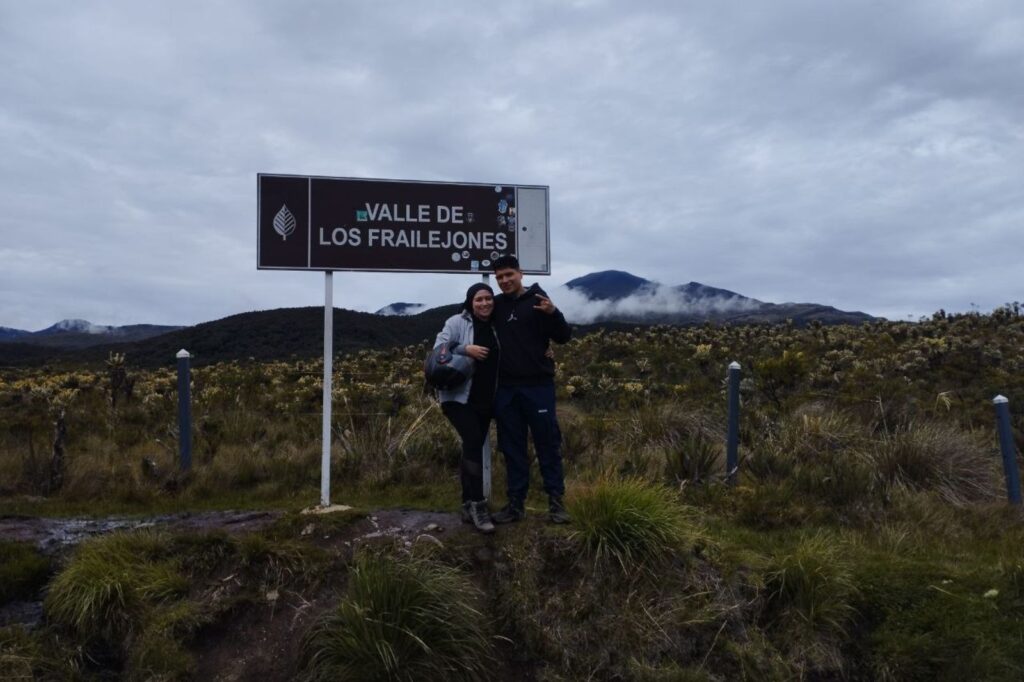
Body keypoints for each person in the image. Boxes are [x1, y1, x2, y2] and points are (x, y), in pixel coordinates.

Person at [489, 255, 573, 524]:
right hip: (506, 389)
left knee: (548, 443)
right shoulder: (496, 305)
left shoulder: (539, 300)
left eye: (508, 275)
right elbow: (471, 314)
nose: (504, 281)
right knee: (512, 448)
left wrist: (553, 313)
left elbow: (563, 336)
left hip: (538, 386)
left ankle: (557, 504)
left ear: (520, 273)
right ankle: (515, 505)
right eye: (499, 277)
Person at [433, 283, 500, 534]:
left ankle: (466, 503)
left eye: (488, 299)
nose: (484, 303)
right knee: (473, 441)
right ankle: (478, 505)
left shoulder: (497, 326)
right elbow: (438, 349)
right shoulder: (456, 322)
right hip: (457, 397)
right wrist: (464, 349)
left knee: (472, 448)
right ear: (470, 302)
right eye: (479, 299)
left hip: (485, 399)